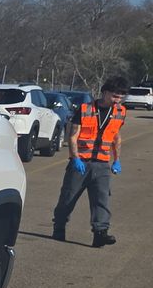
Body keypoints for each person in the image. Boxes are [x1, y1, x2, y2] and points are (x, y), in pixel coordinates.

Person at [53, 77, 128, 248]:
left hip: (102, 163)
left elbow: (116, 136)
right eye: (115, 96)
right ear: (105, 92)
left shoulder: (120, 112)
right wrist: (76, 158)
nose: (118, 100)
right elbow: (73, 135)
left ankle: (100, 233)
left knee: (102, 200)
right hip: (81, 163)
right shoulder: (85, 109)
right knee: (68, 198)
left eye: (121, 97)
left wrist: (117, 160)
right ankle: (59, 227)